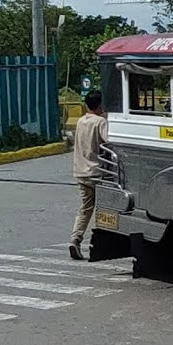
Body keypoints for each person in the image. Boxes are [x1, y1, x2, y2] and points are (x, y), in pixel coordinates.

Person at [70, 90, 109, 260]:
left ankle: (75, 239)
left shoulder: (81, 121)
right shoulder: (100, 122)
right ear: (100, 105)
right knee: (105, 208)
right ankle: (103, 242)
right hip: (97, 172)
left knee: (85, 208)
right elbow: (109, 143)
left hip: (80, 172)